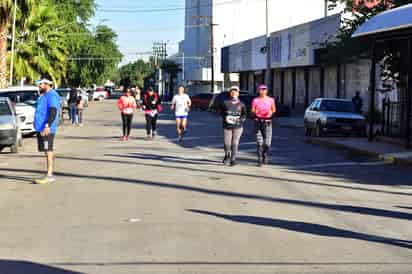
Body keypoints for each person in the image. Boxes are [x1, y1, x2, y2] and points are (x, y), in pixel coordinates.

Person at [33, 78, 61, 184]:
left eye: (41, 84)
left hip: (47, 129)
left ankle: (49, 175)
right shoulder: (43, 95)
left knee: (48, 150)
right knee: (46, 150)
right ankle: (49, 173)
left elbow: (53, 111)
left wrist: (48, 125)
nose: (39, 86)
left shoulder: (52, 95)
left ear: (48, 84)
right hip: (41, 128)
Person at [219, 86, 247, 166]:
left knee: (235, 143)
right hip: (227, 126)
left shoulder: (241, 104)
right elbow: (220, 111)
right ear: (230, 93)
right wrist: (225, 117)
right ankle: (227, 155)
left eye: (235, 91)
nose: (234, 93)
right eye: (232, 91)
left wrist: (241, 120)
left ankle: (233, 159)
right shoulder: (225, 102)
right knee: (227, 143)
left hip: (238, 127)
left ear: (238, 93)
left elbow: (244, 115)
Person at [251, 84, 276, 167]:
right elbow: (252, 110)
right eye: (261, 89)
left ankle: (265, 153)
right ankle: (260, 159)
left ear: (267, 90)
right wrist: (255, 114)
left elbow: (274, 110)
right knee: (259, 142)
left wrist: (271, 113)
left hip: (267, 122)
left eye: (264, 89)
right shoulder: (255, 100)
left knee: (267, 143)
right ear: (259, 90)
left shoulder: (271, 100)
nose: (263, 91)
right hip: (258, 122)